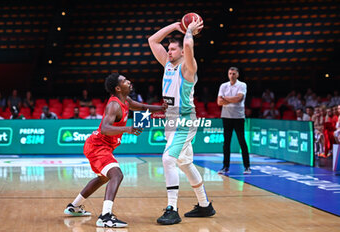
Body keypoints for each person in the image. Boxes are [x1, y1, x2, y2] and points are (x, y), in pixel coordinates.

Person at [64, 72, 167, 228]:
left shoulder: (127, 100)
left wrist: (162, 108)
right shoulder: (114, 104)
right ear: (118, 88)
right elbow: (105, 128)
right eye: (125, 81)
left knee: (104, 178)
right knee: (117, 175)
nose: (129, 81)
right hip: (97, 146)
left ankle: (74, 206)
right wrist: (128, 129)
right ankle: (106, 217)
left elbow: (144, 107)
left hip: (101, 147)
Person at [149, 18, 215, 225]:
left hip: (185, 121)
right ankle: (205, 206)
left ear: (181, 51)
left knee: (168, 159)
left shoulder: (188, 67)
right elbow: (152, 41)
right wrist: (175, 26)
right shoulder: (168, 65)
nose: (169, 51)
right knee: (184, 163)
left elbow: (187, 45)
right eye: (168, 49)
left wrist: (190, 31)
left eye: (173, 49)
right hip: (171, 121)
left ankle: (172, 208)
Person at [217, 67, 251, 175]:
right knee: (226, 143)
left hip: (238, 117)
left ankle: (247, 167)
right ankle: (225, 167)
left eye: (234, 73)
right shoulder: (223, 86)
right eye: (230, 73)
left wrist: (225, 98)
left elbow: (239, 99)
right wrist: (231, 99)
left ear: (237, 75)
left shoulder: (242, 85)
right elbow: (219, 102)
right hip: (226, 117)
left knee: (242, 142)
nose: (231, 75)